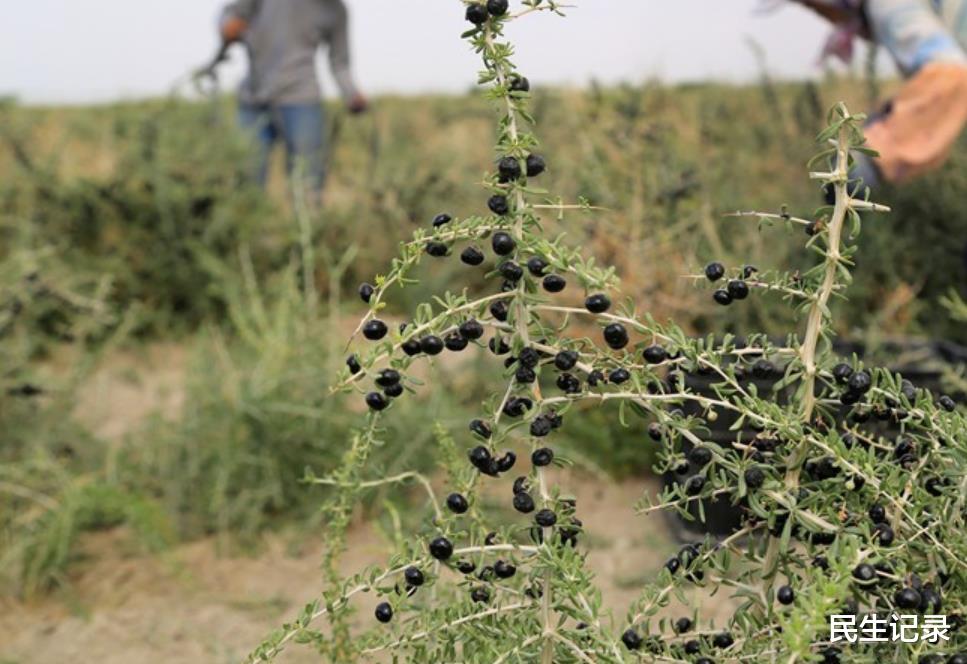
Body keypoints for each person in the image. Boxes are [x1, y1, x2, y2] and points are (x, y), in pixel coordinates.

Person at [792, 0, 967, 186]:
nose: (818, 13)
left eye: (813, 6)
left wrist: (875, 151)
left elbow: (948, 72)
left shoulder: (891, 6)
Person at [206, 0, 368, 196]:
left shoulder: (335, 9)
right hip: (253, 99)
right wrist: (227, 26)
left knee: (307, 183)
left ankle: (306, 225)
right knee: (246, 181)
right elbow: (229, 14)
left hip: (301, 100)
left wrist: (351, 94)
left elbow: (340, 62)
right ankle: (250, 223)